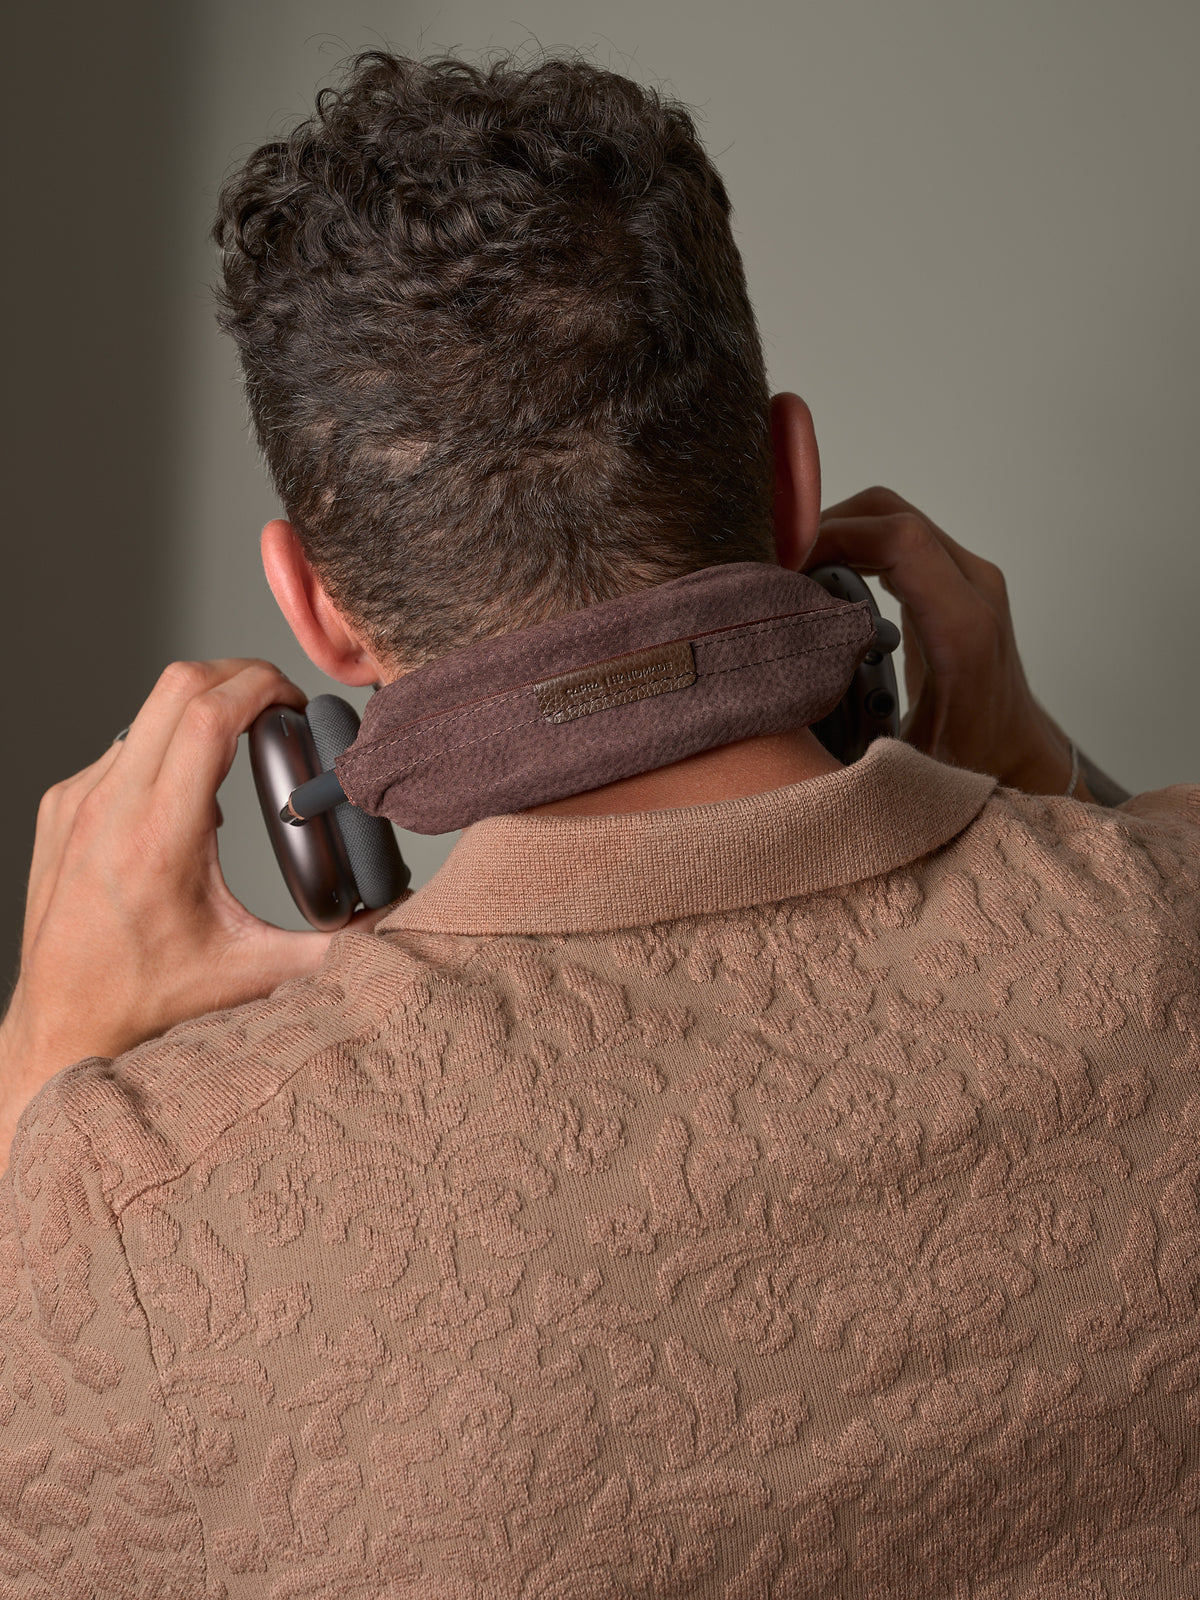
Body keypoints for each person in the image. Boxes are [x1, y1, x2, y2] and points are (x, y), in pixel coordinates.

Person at [0, 50, 1195, 1600]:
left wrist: (44, 1080)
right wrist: (1062, 799)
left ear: (319, 614)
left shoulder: (144, 1213)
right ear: (791, 488)